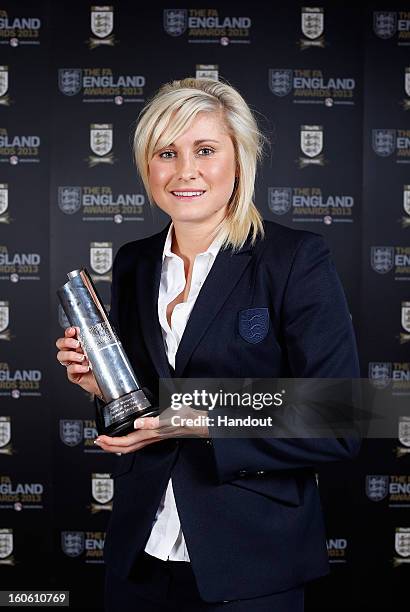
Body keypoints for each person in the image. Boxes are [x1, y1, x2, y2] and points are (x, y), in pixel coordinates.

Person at [56, 77, 360, 612]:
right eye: (166, 153)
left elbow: (341, 415)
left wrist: (202, 418)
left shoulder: (295, 259)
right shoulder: (133, 262)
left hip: (252, 564)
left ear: (238, 160)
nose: (185, 171)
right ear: (146, 167)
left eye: (205, 150)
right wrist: (103, 390)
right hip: (140, 556)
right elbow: (145, 411)